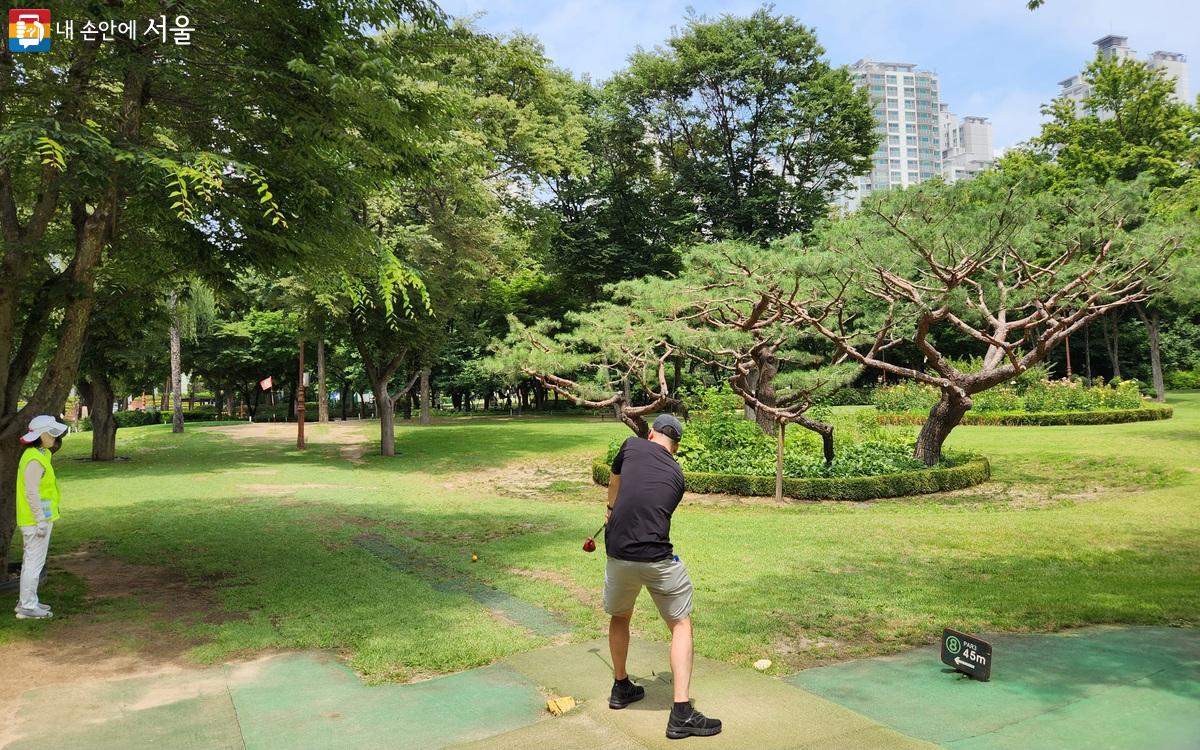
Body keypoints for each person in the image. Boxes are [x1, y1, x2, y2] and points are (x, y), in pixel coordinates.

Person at [603, 413, 722, 740]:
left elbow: (615, 481)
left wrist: (610, 509)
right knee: (680, 624)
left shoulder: (630, 445)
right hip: (657, 559)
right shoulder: (678, 475)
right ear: (676, 447)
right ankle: (681, 712)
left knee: (620, 615)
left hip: (618, 553)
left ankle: (620, 687)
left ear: (652, 434)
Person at [13, 415, 68, 620]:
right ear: (41, 435)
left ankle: (28, 602)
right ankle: (27, 606)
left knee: (33, 562)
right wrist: (40, 520)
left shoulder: (40, 454)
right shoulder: (34, 459)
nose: (54, 437)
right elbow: (31, 492)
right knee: (33, 563)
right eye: (51, 433)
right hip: (35, 521)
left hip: (37, 519)